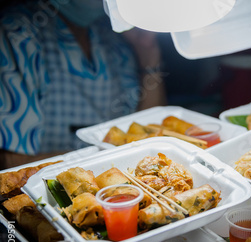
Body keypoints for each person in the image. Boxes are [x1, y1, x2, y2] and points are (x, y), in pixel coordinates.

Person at [0, 0, 167, 169]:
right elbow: (11, 164)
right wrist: (110, 159)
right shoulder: (18, 31)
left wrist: (148, 52)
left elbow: (151, 125)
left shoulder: (111, 33)